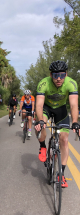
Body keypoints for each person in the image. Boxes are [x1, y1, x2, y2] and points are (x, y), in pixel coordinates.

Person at [34, 60, 80, 188]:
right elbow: (39, 104)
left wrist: (75, 122)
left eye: (62, 75)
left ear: (66, 74)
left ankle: (61, 174)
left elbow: (73, 104)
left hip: (61, 110)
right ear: (50, 75)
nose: (58, 78)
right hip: (46, 108)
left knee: (64, 140)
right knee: (40, 125)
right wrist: (41, 120)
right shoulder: (43, 83)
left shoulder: (71, 83)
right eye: (55, 75)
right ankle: (43, 146)